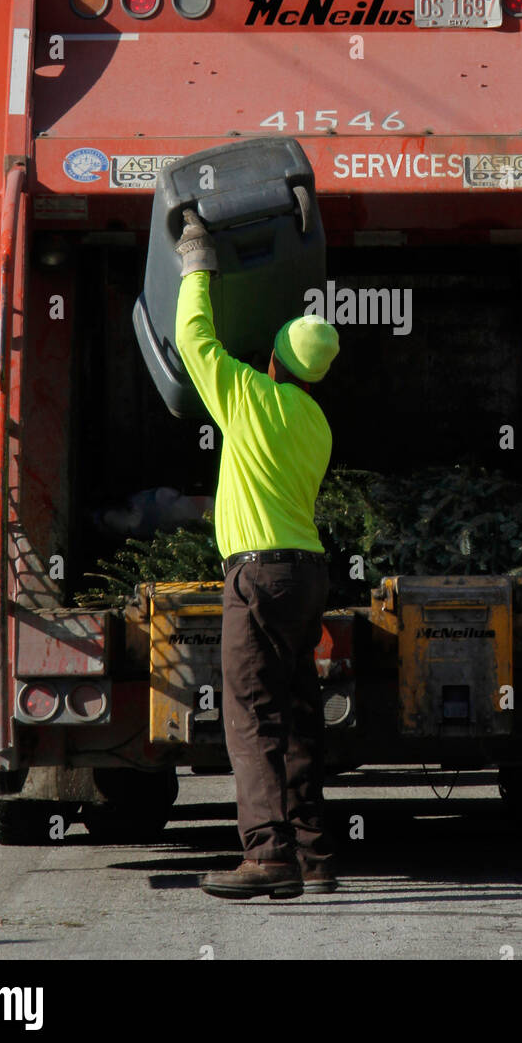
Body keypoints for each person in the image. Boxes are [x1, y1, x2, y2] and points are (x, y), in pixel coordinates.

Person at [174, 206, 340, 900]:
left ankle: (267, 856)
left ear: (273, 360)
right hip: (307, 575)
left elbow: (193, 340)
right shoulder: (316, 422)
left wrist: (195, 260)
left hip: (259, 575)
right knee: (298, 713)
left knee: (250, 718)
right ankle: (314, 855)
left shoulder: (247, 397)